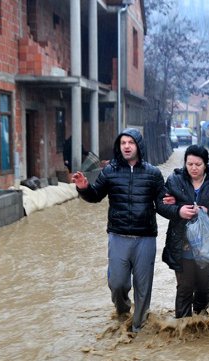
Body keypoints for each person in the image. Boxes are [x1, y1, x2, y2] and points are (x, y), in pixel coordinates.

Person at [71, 128, 165, 333]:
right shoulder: (110, 171)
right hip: (118, 236)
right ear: (119, 146)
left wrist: (177, 207)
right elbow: (95, 196)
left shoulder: (153, 173)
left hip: (145, 237)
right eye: (123, 143)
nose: (127, 146)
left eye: (131, 142)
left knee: (143, 286)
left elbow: (163, 205)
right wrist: (84, 187)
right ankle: (122, 310)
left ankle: (137, 329)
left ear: (139, 146)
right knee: (117, 283)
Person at [157, 145, 209, 318]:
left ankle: (200, 323)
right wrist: (178, 211)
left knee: (203, 287)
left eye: (197, 164)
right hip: (182, 244)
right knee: (184, 288)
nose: (193, 168)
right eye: (189, 164)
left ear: (205, 164)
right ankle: (184, 328)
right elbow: (160, 205)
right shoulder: (175, 180)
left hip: (208, 244)